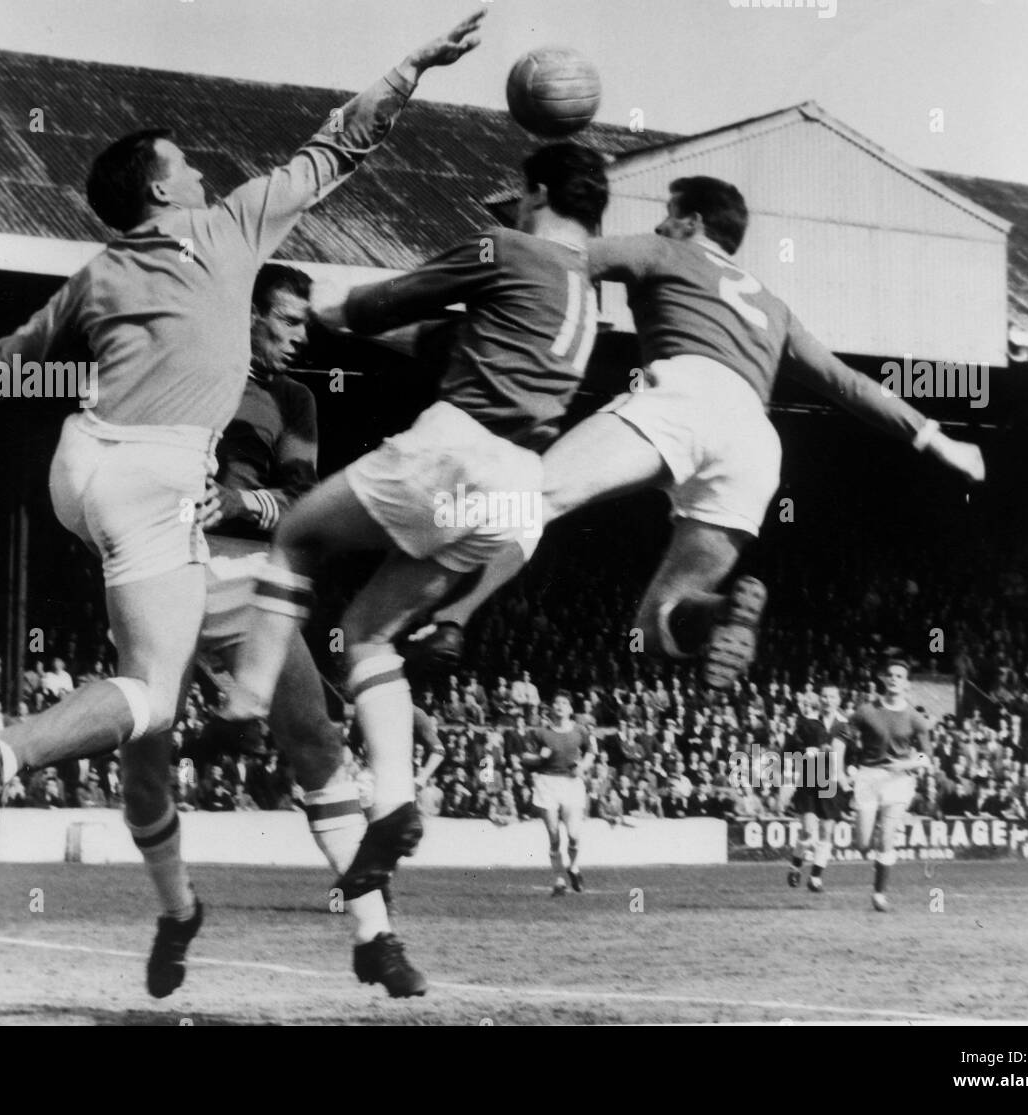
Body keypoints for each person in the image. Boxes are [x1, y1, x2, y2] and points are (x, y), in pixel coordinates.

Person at [0, 10, 484, 999]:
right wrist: (411, 64)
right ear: (164, 189)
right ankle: (7, 753)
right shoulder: (228, 226)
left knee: (234, 732)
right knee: (152, 707)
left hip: (94, 476)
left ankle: (357, 933)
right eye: (187, 165)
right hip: (162, 490)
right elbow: (338, 146)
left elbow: (17, 358)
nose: (203, 173)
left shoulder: (101, 274)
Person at [214, 143, 609, 914]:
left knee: (296, 532)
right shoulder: (585, 291)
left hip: (457, 448)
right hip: (517, 483)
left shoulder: (505, 248)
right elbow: (441, 344)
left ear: (534, 190)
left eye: (516, 196)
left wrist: (322, 310)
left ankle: (241, 709)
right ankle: (393, 802)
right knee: (367, 634)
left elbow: (376, 307)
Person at [415, 176, 986, 682]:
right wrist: (937, 439)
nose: (660, 222)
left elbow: (553, 259)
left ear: (691, 221)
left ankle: (448, 623)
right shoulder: (774, 305)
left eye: (668, 213)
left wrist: (452, 291)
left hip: (684, 399)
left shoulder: (664, 250)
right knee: (659, 623)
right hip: (756, 446)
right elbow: (845, 383)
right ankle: (715, 610)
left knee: (529, 500)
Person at [193, 262, 424, 996]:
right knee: (133, 726)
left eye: (304, 323)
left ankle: (375, 937)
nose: (299, 336)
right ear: (249, 313)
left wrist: (234, 504)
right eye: (288, 320)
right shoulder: (188, 368)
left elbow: (295, 499)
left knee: (317, 743)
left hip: (236, 579)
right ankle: (5, 759)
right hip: (154, 566)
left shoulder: (292, 399)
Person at [845, 660, 932, 912]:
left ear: (906, 683)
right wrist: (842, 765)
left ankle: (879, 893)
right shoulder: (865, 711)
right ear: (883, 679)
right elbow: (844, 736)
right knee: (862, 844)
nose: (894, 679)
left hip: (899, 781)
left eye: (900, 676)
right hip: (868, 777)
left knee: (887, 840)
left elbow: (927, 757)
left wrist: (906, 765)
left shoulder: (916, 718)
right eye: (890, 675)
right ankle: (872, 842)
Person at [521, 691, 595, 895]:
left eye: (564, 702)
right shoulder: (539, 733)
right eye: (556, 703)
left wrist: (583, 767)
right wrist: (539, 757)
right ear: (551, 708)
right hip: (547, 783)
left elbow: (590, 752)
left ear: (570, 709)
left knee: (573, 835)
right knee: (554, 836)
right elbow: (525, 757)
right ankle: (559, 881)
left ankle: (573, 867)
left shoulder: (580, 730)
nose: (560, 706)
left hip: (572, 783)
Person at [784, 684, 849, 893]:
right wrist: (808, 752)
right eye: (824, 696)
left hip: (830, 782)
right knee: (808, 831)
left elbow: (852, 753)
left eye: (832, 696)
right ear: (819, 699)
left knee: (826, 831)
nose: (827, 700)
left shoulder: (844, 725)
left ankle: (815, 878)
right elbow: (791, 748)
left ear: (838, 700)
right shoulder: (808, 721)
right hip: (809, 779)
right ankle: (796, 866)